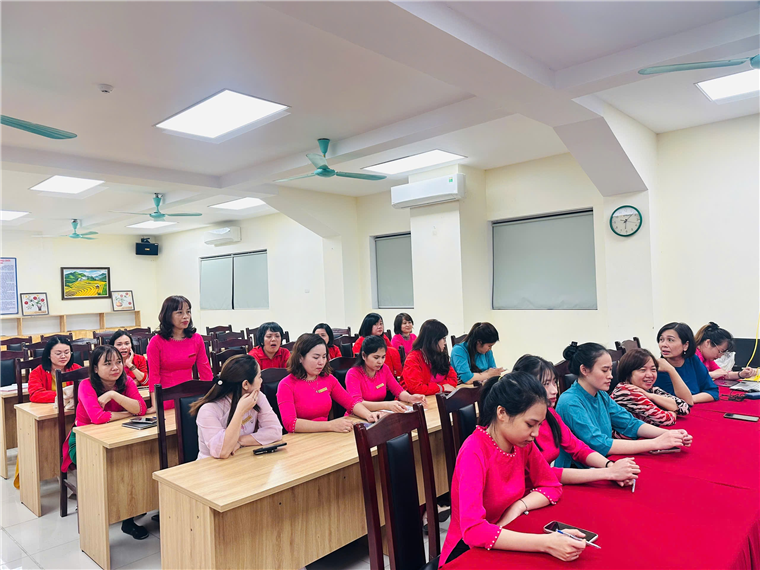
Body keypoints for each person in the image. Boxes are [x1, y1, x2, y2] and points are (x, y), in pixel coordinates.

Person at [440, 372, 586, 567]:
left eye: (539, 425)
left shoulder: (521, 444)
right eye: (530, 424)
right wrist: (546, 543)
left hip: (506, 532)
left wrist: (518, 506)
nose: (536, 433)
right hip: (467, 552)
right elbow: (473, 530)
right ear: (502, 413)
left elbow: (551, 486)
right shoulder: (474, 452)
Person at [555, 342, 692, 468]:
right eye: (605, 370)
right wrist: (656, 443)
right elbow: (598, 443)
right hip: (579, 472)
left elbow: (630, 423)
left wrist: (669, 434)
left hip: (604, 463)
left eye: (610, 370)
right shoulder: (570, 402)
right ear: (584, 370)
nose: (610, 376)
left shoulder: (600, 394)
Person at [513, 355, 639, 486]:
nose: (554, 390)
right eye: (545, 384)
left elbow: (577, 447)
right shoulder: (519, 426)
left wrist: (610, 465)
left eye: (554, 382)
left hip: (550, 485)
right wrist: (609, 472)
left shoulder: (550, 413)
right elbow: (543, 472)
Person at [62, 345, 147, 539]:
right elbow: (98, 417)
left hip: (117, 435)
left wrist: (113, 395)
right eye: (107, 364)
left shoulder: (126, 382)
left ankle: (129, 515)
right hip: (83, 442)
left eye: (118, 362)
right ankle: (113, 512)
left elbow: (141, 409)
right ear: (95, 368)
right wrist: (129, 412)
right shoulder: (86, 385)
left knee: (136, 459)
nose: (115, 367)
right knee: (121, 464)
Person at [276, 334, 381, 433]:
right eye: (316, 357)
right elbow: (290, 423)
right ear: (300, 357)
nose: (321, 362)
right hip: (301, 439)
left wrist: (368, 415)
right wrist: (330, 425)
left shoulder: (328, 378)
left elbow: (350, 403)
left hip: (326, 435)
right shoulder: (286, 385)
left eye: (324, 356)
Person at [190, 355, 282, 459]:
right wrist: (240, 411)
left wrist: (239, 441)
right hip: (211, 466)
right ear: (245, 384)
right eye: (259, 377)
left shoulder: (257, 397)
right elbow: (222, 451)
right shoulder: (208, 410)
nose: (261, 381)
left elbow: (275, 431)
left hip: (241, 459)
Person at [146, 296, 213, 412]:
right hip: (166, 397)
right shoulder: (156, 342)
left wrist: (211, 397)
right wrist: (155, 404)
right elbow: (154, 376)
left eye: (188, 312)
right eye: (179, 312)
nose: (185, 316)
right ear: (168, 315)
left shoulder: (196, 339)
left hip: (190, 397)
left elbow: (205, 370)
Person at [346, 335, 427, 413]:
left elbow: (398, 390)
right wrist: (387, 405)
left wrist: (410, 398)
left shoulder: (384, 369)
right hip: (357, 417)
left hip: (379, 414)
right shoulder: (353, 374)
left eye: (383, 357)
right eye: (376, 357)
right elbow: (357, 404)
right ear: (364, 355)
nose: (380, 362)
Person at [611, 349, 691, 426]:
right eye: (642, 370)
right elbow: (665, 419)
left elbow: (684, 407)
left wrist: (651, 396)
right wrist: (673, 412)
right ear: (627, 372)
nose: (650, 375)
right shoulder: (626, 391)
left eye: (653, 369)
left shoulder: (649, 389)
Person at [654, 322, 718, 403]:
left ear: (685, 345)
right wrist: (671, 370)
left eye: (670, 340)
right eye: (661, 340)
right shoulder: (660, 368)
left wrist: (691, 399)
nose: (663, 345)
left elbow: (713, 391)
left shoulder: (692, 360)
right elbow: (677, 401)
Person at [401, 319, 458, 395]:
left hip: (435, 397)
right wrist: (441, 387)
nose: (445, 343)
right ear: (433, 340)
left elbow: (453, 379)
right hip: (416, 400)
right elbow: (416, 389)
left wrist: (432, 388)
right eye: (443, 339)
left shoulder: (440, 355)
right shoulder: (413, 358)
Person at [29, 336, 82, 403]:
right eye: (58, 353)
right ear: (48, 355)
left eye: (66, 352)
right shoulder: (37, 372)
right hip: (48, 407)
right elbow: (35, 395)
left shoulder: (77, 369)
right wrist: (65, 395)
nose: (63, 356)